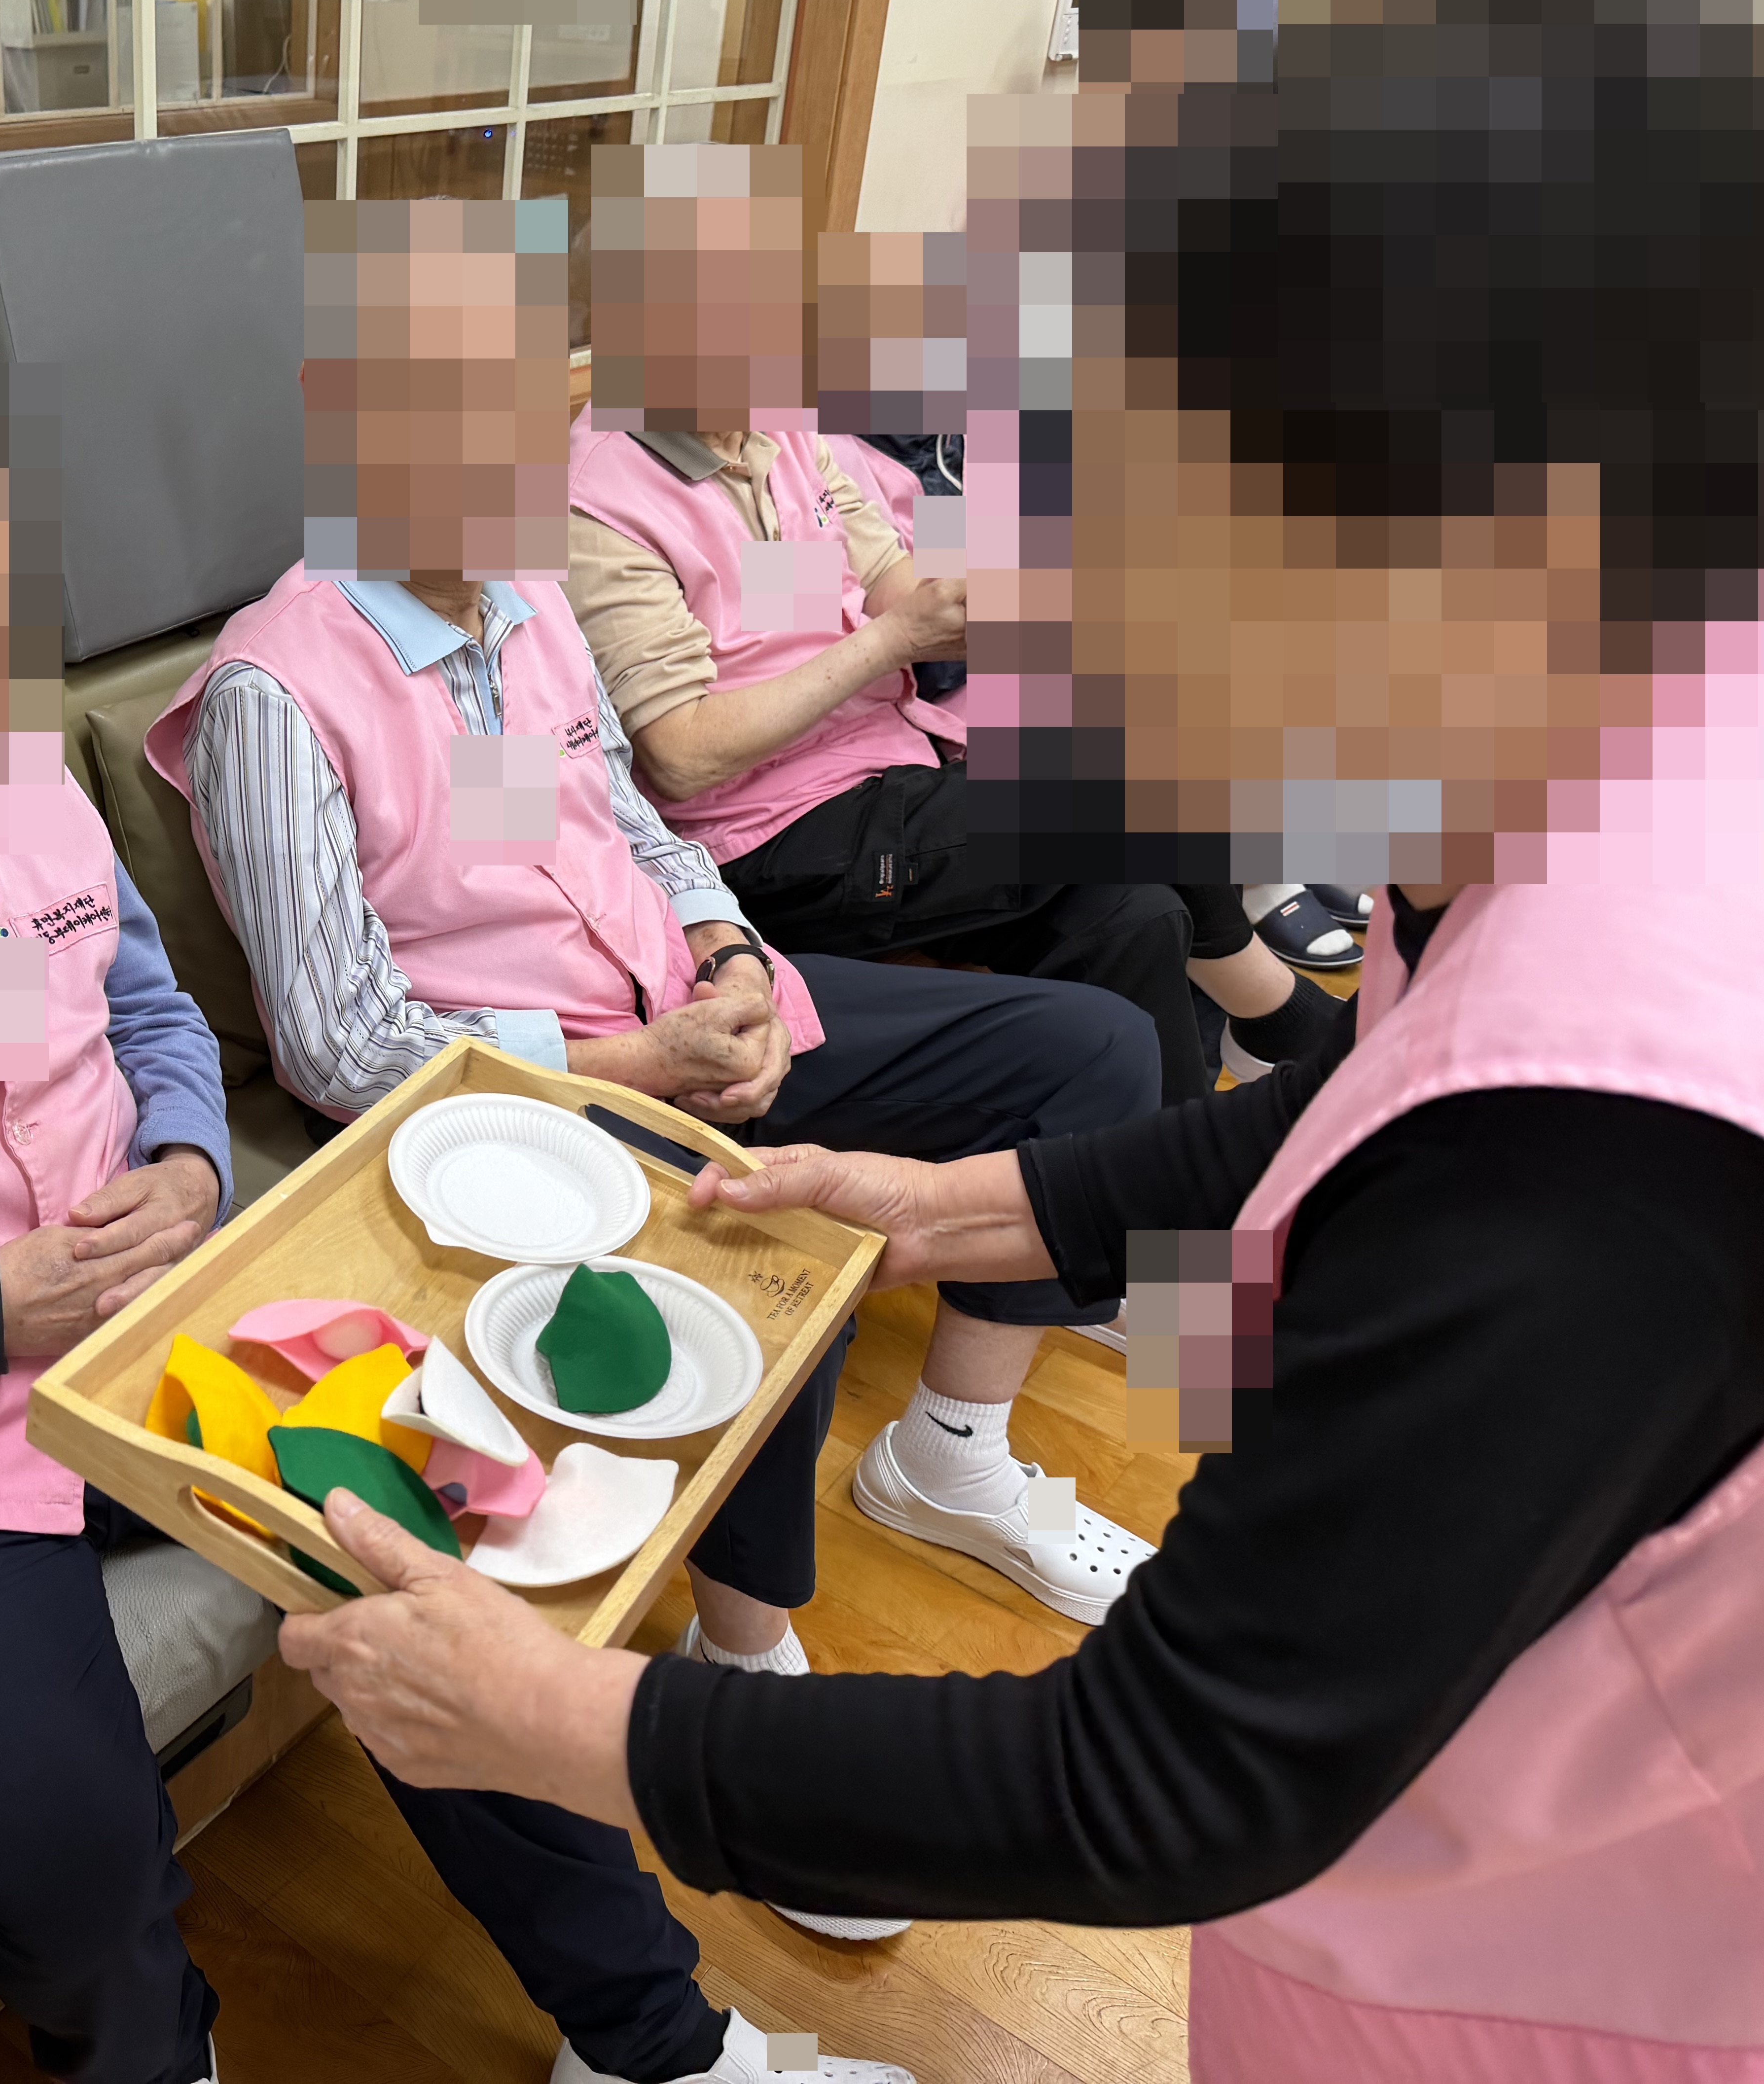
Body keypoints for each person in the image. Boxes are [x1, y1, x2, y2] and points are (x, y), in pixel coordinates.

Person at [0, 359, 897, 2084]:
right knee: (77, 1862)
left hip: (155, 1323)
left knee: (447, 1604)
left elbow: (147, 1008)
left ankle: (655, 2049)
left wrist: (183, 1158)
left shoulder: (3, 766)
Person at [145, 197, 1158, 2037]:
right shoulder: (276, 692)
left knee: (1086, 1051)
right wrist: (641, 1069)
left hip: (679, 1019)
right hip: (508, 1111)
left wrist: (730, 953)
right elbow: (343, 1045)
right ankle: (750, 1668)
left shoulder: (527, 598)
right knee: (750, 1223)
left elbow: (632, 811)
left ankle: (949, 1456)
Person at [273, 880, 1764, 2081]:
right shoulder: (1554, 847)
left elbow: (1172, 1780)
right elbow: (1356, 1103)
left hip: (1552, 1979)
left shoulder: (1596, 1135)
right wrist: (944, 1208)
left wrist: (553, 1715)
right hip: (1446, 1879)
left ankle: (942, 1470)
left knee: (1115, 973)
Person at [564, 143, 1347, 1104]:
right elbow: (683, 756)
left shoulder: (779, 429)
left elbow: (891, 581)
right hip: (776, 838)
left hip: (901, 771)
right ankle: (1284, 1024)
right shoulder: (598, 496)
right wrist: (896, 641)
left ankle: (1180, 1167)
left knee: (1136, 912)